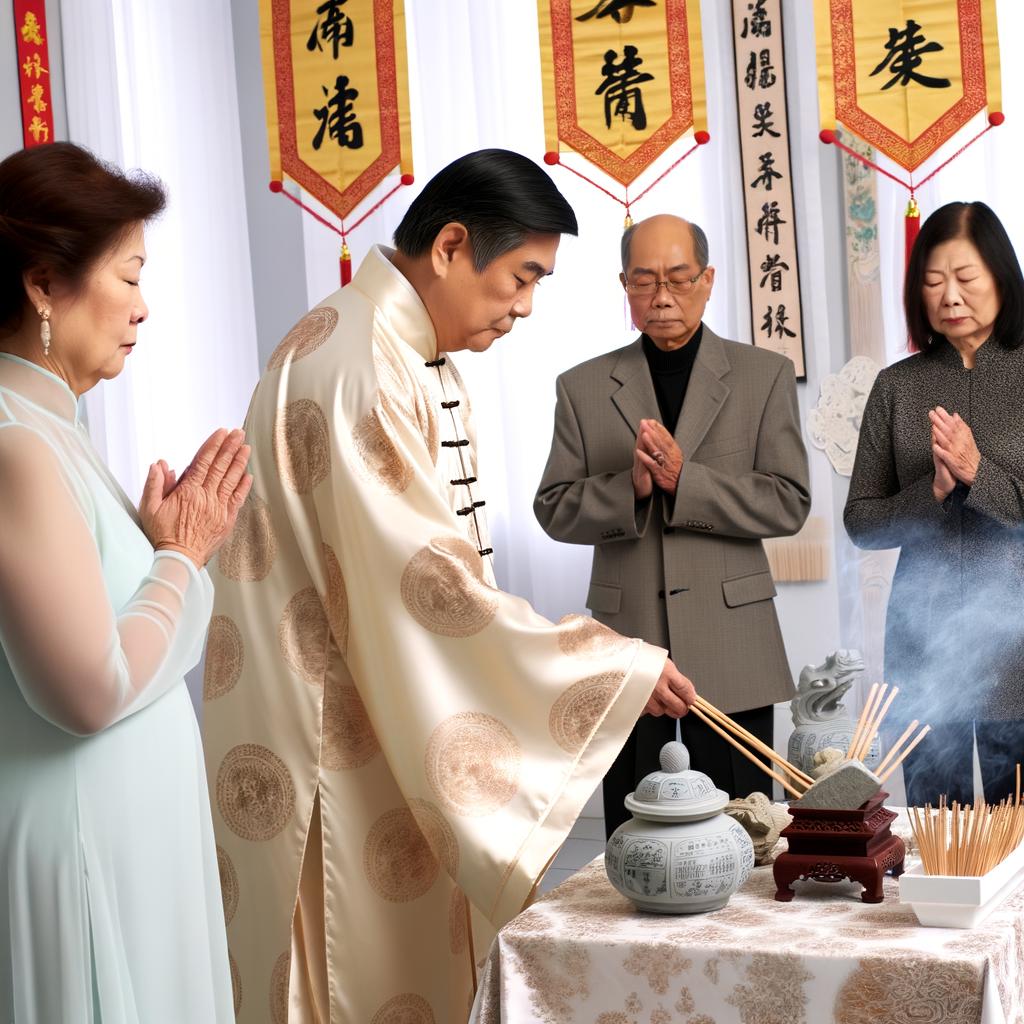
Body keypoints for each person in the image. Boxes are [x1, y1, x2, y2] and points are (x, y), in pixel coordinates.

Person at [202, 150, 696, 1022]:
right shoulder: (359, 363)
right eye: (520, 277)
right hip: (330, 734)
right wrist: (604, 666)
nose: (525, 306)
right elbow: (426, 586)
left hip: (369, 708)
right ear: (452, 246)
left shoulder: (399, 349)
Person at [0, 142, 250, 1021]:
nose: (145, 307)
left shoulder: (49, 425)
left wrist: (155, 550)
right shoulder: (19, 443)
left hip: (122, 831)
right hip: (81, 840)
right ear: (42, 284)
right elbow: (88, 692)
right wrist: (182, 556)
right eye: (130, 275)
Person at [534, 213, 810, 837]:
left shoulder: (762, 375)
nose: (661, 296)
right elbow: (552, 507)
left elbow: (789, 502)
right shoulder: (580, 387)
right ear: (624, 286)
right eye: (643, 280)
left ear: (708, 280)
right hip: (627, 647)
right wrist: (626, 492)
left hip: (732, 642)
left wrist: (688, 481)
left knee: (745, 838)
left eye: (679, 278)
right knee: (634, 843)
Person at [845, 201, 1024, 807]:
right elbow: (861, 522)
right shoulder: (897, 386)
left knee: (1017, 845)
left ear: (1002, 276)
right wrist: (935, 493)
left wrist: (979, 475)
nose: (950, 296)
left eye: (966, 278)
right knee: (935, 838)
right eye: (932, 281)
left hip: (1017, 647)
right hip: (921, 644)